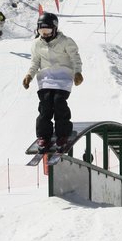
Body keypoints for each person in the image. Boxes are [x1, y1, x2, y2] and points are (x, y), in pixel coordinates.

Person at [22, 12, 83, 154]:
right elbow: (35, 62)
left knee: (58, 102)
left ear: (55, 29)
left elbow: (75, 58)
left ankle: (63, 134)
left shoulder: (66, 41)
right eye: (41, 31)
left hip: (63, 77)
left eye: (48, 31)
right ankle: (44, 136)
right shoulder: (37, 44)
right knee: (45, 106)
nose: (45, 34)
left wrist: (77, 72)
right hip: (46, 79)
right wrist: (29, 76)